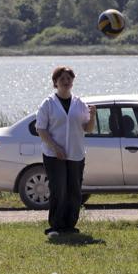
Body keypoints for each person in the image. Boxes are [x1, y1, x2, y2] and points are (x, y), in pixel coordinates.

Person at [35, 66, 96, 237]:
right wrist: (55, 147)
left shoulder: (79, 103)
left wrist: (92, 117)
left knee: (74, 190)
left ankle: (70, 225)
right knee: (59, 189)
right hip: (54, 155)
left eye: (69, 78)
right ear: (55, 83)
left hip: (76, 154)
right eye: (62, 79)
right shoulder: (48, 104)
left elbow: (88, 129)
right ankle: (55, 226)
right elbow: (41, 129)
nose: (66, 82)